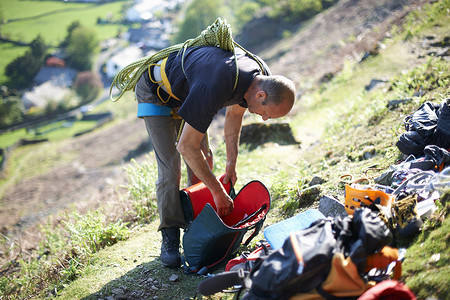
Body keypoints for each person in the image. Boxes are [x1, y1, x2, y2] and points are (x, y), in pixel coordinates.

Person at [135, 45, 296, 268]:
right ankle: (170, 235)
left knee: (205, 159)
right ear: (261, 95)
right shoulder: (216, 84)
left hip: (188, 91)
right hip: (156, 91)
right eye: (267, 113)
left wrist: (231, 163)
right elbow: (186, 147)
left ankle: (197, 225)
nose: (265, 119)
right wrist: (218, 191)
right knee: (171, 166)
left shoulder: (259, 76)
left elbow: (234, 116)